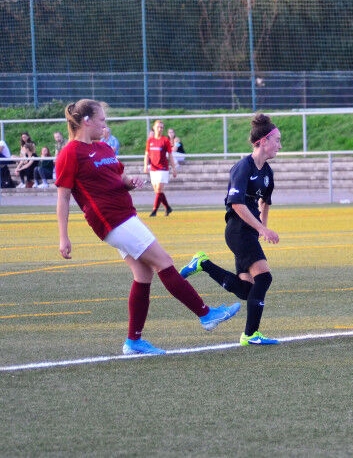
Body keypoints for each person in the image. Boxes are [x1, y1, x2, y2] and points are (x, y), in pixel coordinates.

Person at [56, 99, 240, 355]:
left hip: (125, 215)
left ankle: (133, 341)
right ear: (86, 121)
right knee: (164, 262)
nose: (105, 125)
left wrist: (130, 182)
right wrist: (63, 237)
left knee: (143, 274)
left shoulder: (104, 147)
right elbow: (63, 197)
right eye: (101, 120)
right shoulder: (70, 153)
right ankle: (206, 314)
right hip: (111, 220)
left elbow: (119, 178)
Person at [180, 113, 281, 346]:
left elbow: (265, 202)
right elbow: (236, 204)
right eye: (277, 140)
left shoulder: (267, 172)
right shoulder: (243, 167)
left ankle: (203, 263)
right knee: (264, 278)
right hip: (238, 230)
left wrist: (262, 228)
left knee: (246, 289)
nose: (280, 145)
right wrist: (261, 229)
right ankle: (250, 335)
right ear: (263, 141)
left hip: (249, 232)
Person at [144, 120, 177, 216]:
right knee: (158, 191)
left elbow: (170, 155)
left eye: (161, 127)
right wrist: (145, 165)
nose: (160, 129)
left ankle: (154, 211)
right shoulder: (150, 140)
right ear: (154, 128)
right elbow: (146, 154)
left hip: (163, 168)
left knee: (158, 190)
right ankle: (168, 207)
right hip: (153, 168)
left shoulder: (165, 140)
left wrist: (174, 168)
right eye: (158, 127)